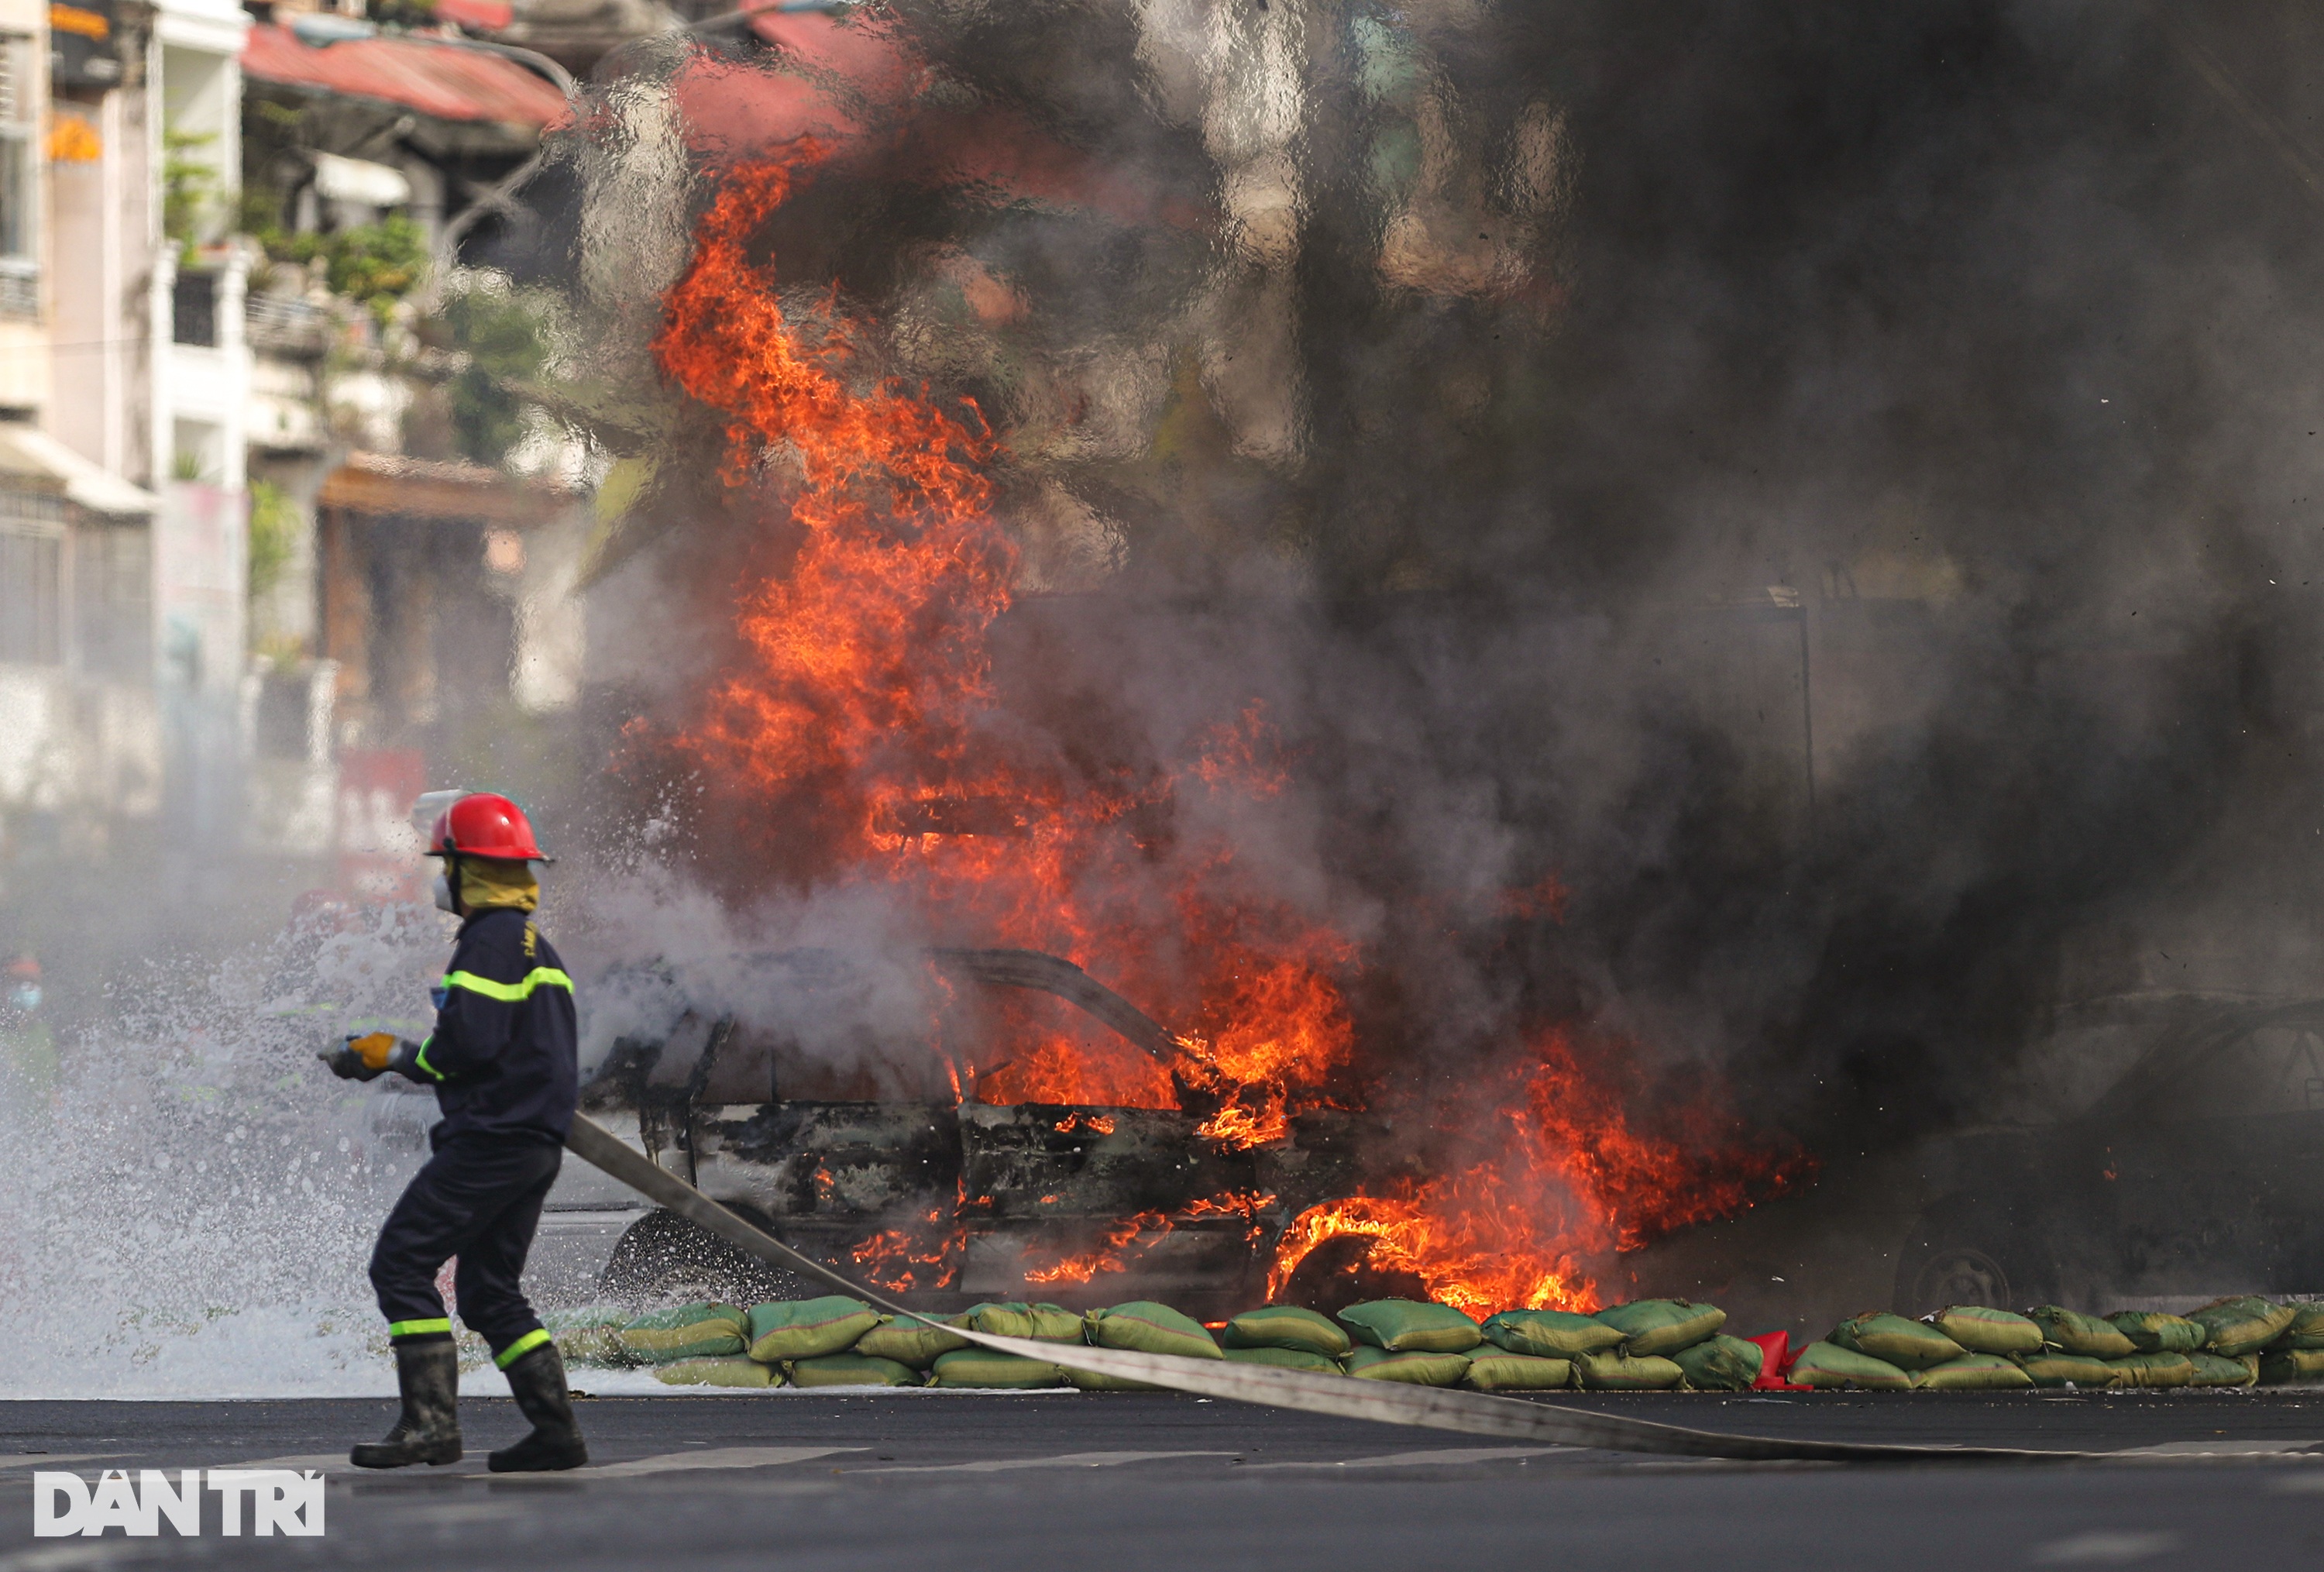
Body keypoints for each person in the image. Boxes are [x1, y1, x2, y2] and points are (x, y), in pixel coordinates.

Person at [319, 791, 587, 1473]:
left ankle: (430, 1426)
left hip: (491, 1142)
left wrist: (387, 1055)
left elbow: (466, 1045)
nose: (440, 877)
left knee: (401, 1263)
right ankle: (556, 1432)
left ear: (472, 869)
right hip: (531, 1144)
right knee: (489, 1293)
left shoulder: (491, 938)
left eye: (447, 863)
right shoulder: (534, 942)